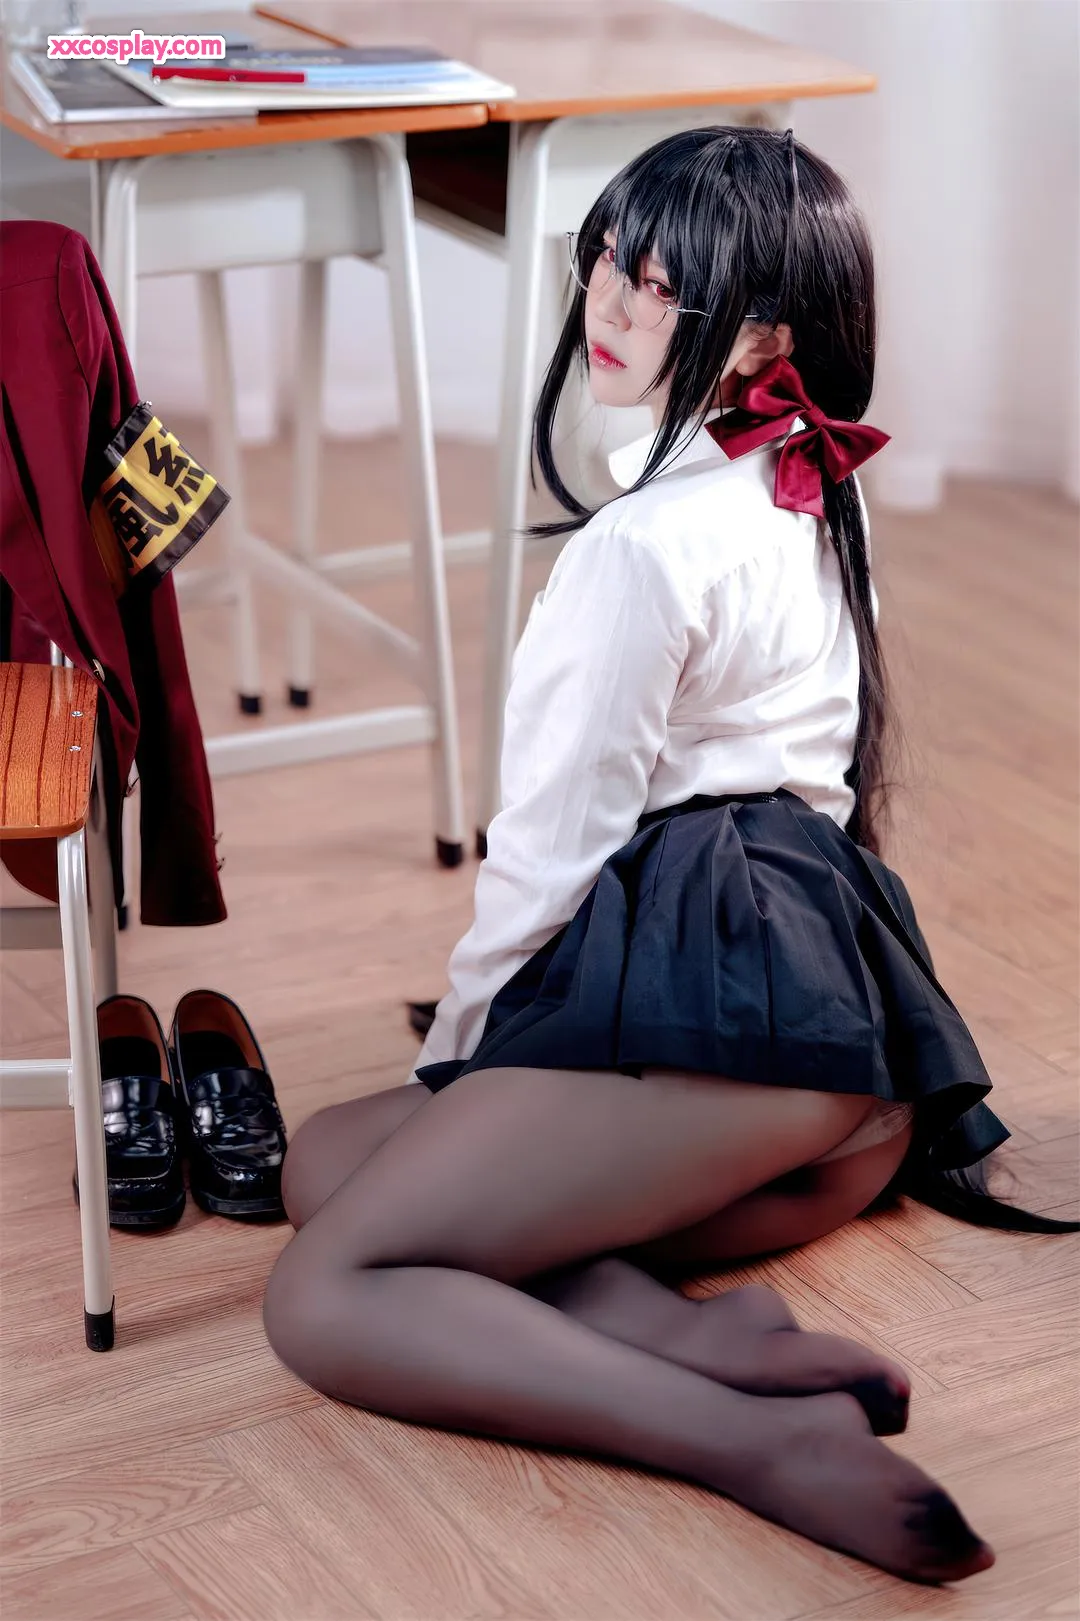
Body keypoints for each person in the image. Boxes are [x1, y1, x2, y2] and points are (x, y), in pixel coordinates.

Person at [263, 128, 1074, 1585]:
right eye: (606, 266)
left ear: (767, 335)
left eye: (659, 288)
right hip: (846, 1066)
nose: (610, 308)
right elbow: (823, 778)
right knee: (325, 1159)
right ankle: (704, 1336)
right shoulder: (809, 480)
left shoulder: (637, 549)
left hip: (731, 1031)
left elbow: (551, 849)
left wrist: (466, 1056)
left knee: (325, 1292)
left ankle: (746, 1441)